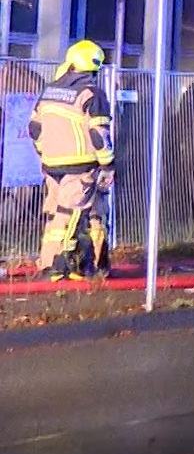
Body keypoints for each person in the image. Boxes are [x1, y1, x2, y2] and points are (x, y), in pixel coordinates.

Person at [29, 41, 114, 281]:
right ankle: (67, 265)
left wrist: (44, 153)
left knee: (56, 215)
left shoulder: (48, 91)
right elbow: (99, 134)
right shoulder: (91, 93)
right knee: (76, 213)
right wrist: (107, 164)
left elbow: (34, 129)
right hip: (82, 166)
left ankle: (48, 264)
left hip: (51, 165)